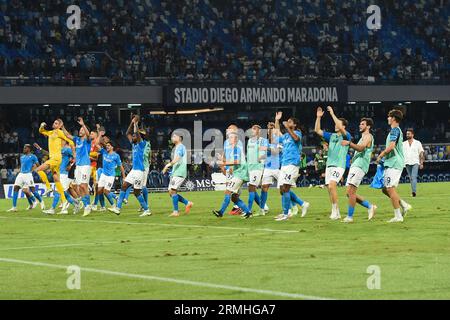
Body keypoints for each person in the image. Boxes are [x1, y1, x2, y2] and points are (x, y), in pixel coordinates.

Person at [108, 115, 150, 216]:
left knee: (136, 193)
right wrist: (132, 122)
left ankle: (147, 209)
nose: (133, 137)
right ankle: (118, 208)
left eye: (135, 136)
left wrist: (136, 123)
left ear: (139, 137)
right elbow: (127, 133)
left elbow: (136, 134)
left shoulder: (141, 144)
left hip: (140, 171)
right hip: (133, 170)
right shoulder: (134, 144)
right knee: (124, 186)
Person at [376, 109, 412, 223]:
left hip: (395, 163)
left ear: (393, 119)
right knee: (385, 189)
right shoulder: (395, 131)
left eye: (389, 116)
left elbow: (391, 146)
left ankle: (398, 216)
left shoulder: (395, 131)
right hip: (391, 162)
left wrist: (380, 155)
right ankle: (403, 204)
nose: (387, 118)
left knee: (390, 188)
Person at [314, 106, 351, 220]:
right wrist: (318, 117)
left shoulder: (346, 135)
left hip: (339, 165)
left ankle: (335, 212)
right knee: (330, 189)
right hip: (329, 165)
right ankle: (336, 211)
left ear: (343, 126)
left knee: (331, 185)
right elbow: (317, 130)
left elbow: (339, 125)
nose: (335, 125)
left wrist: (332, 114)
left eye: (338, 124)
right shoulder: (332, 136)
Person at [274, 111, 310, 221]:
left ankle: (286, 213)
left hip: (292, 164)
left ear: (294, 125)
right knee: (282, 189)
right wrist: (277, 120)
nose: (287, 122)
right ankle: (302, 203)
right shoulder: (285, 136)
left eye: (290, 122)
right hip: (284, 164)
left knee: (285, 188)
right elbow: (276, 134)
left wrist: (287, 127)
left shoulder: (297, 133)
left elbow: (295, 139)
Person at [341, 118, 377, 223]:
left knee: (351, 192)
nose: (360, 125)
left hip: (360, 166)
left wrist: (349, 143)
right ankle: (370, 206)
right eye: (360, 124)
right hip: (356, 166)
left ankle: (349, 217)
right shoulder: (363, 137)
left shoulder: (368, 136)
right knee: (349, 193)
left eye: (362, 124)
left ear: (368, 126)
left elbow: (361, 148)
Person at [213, 129, 252, 219]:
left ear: (236, 139)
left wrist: (224, 163)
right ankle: (247, 212)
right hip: (239, 174)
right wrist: (223, 160)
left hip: (240, 174)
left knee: (228, 191)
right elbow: (233, 162)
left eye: (231, 137)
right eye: (229, 137)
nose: (229, 139)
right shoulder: (233, 149)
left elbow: (237, 161)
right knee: (234, 197)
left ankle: (221, 212)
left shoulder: (236, 149)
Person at [35, 119, 74, 205]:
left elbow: (70, 140)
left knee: (38, 170)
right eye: (54, 122)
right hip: (53, 158)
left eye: (56, 123)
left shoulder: (59, 132)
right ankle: (64, 202)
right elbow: (41, 131)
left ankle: (48, 187)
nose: (54, 124)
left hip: (56, 158)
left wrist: (72, 148)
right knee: (56, 180)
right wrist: (42, 126)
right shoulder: (51, 133)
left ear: (60, 126)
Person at [61, 117, 95, 216]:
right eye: (79, 130)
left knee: (84, 186)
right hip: (78, 166)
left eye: (82, 130)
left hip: (85, 165)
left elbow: (88, 135)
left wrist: (83, 124)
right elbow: (67, 135)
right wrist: (62, 126)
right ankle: (86, 205)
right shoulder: (77, 140)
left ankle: (87, 206)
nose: (80, 131)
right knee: (80, 187)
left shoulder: (87, 140)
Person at [162, 132, 193, 217]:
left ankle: (176, 212)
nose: (172, 138)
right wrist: (172, 171)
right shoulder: (177, 147)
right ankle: (188, 203)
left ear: (179, 138)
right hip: (175, 172)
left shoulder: (181, 147)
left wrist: (167, 165)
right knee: (170, 192)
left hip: (180, 172)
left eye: (174, 136)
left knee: (173, 191)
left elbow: (177, 159)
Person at [7, 144, 44, 212]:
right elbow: (23, 166)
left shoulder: (33, 156)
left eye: (25, 148)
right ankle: (14, 207)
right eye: (24, 148)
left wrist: (35, 169)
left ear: (29, 149)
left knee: (32, 190)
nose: (24, 149)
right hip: (21, 174)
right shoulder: (22, 157)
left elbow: (38, 165)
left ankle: (41, 201)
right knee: (15, 188)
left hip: (28, 174)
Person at [96, 138, 125, 212]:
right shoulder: (104, 152)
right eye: (107, 145)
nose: (107, 147)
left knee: (106, 191)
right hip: (103, 175)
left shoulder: (116, 156)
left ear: (112, 147)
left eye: (109, 146)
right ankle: (103, 207)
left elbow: (120, 166)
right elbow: (97, 144)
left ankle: (113, 205)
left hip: (110, 176)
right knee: (99, 191)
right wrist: (100, 135)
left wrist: (124, 176)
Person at [259, 122, 281, 216]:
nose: (269, 131)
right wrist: (261, 157)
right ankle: (262, 209)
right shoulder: (265, 141)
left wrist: (267, 148)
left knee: (284, 188)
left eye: (271, 129)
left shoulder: (278, 140)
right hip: (267, 168)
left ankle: (293, 207)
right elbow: (265, 152)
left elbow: (276, 152)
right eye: (268, 129)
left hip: (277, 168)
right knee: (264, 187)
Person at [246, 124, 268, 214]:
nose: (252, 130)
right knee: (251, 189)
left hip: (257, 167)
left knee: (252, 188)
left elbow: (264, 153)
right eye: (252, 129)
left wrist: (260, 159)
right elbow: (248, 154)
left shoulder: (263, 141)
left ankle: (248, 210)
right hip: (250, 168)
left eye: (254, 129)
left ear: (259, 131)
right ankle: (263, 207)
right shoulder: (249, 141)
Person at [403, 129, 424, 197]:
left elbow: (421, 153)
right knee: (411, 178)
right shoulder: (403, 143)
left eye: (409, 134)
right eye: (407, 134)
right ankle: (413, 191)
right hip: (407, 162)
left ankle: (414, 192)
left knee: (413, 177)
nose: (407, 135)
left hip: (415, 162)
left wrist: (421, 163)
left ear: (412, 134)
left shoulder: (417, 143)